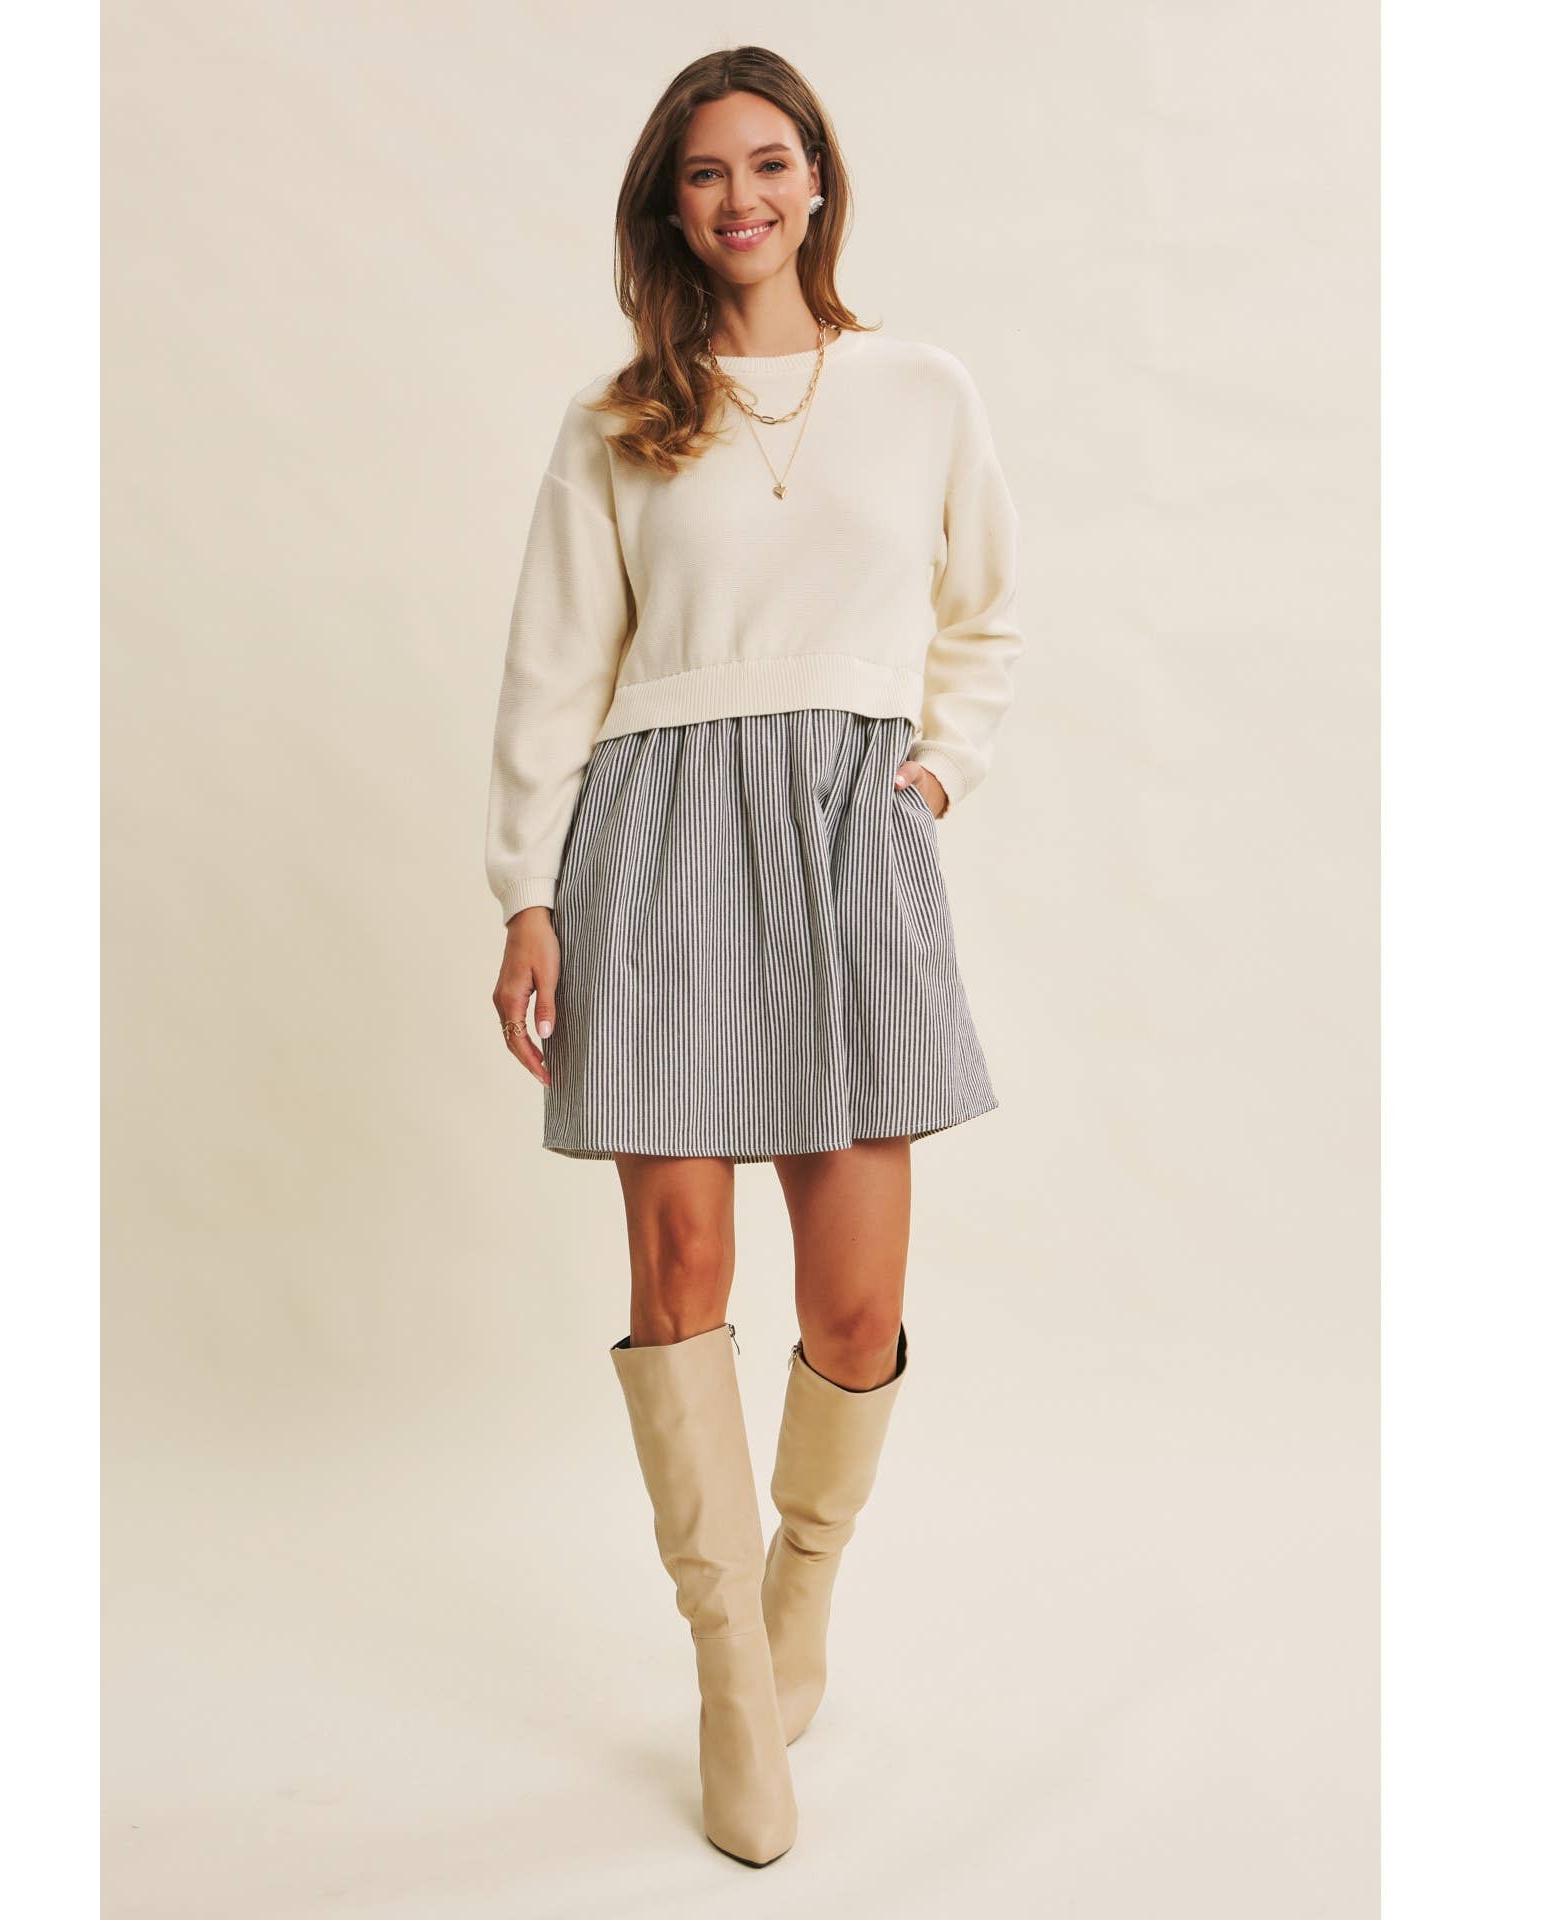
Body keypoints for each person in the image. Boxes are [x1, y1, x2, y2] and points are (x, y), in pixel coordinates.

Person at [482, 46, 1023, 1869]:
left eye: (770, 162)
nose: (742, 198)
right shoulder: (620, 419)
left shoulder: (920, 390)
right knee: (684, 1265)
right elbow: (554, 663)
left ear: (818, 181)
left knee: (855, 1306)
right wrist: (528, 892)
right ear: (672, 203)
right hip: (655, 835)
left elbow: (986, 617)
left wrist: (930, 776)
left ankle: (800, 1592)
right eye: (707, 172)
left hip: (847, 836)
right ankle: (726, 1668)